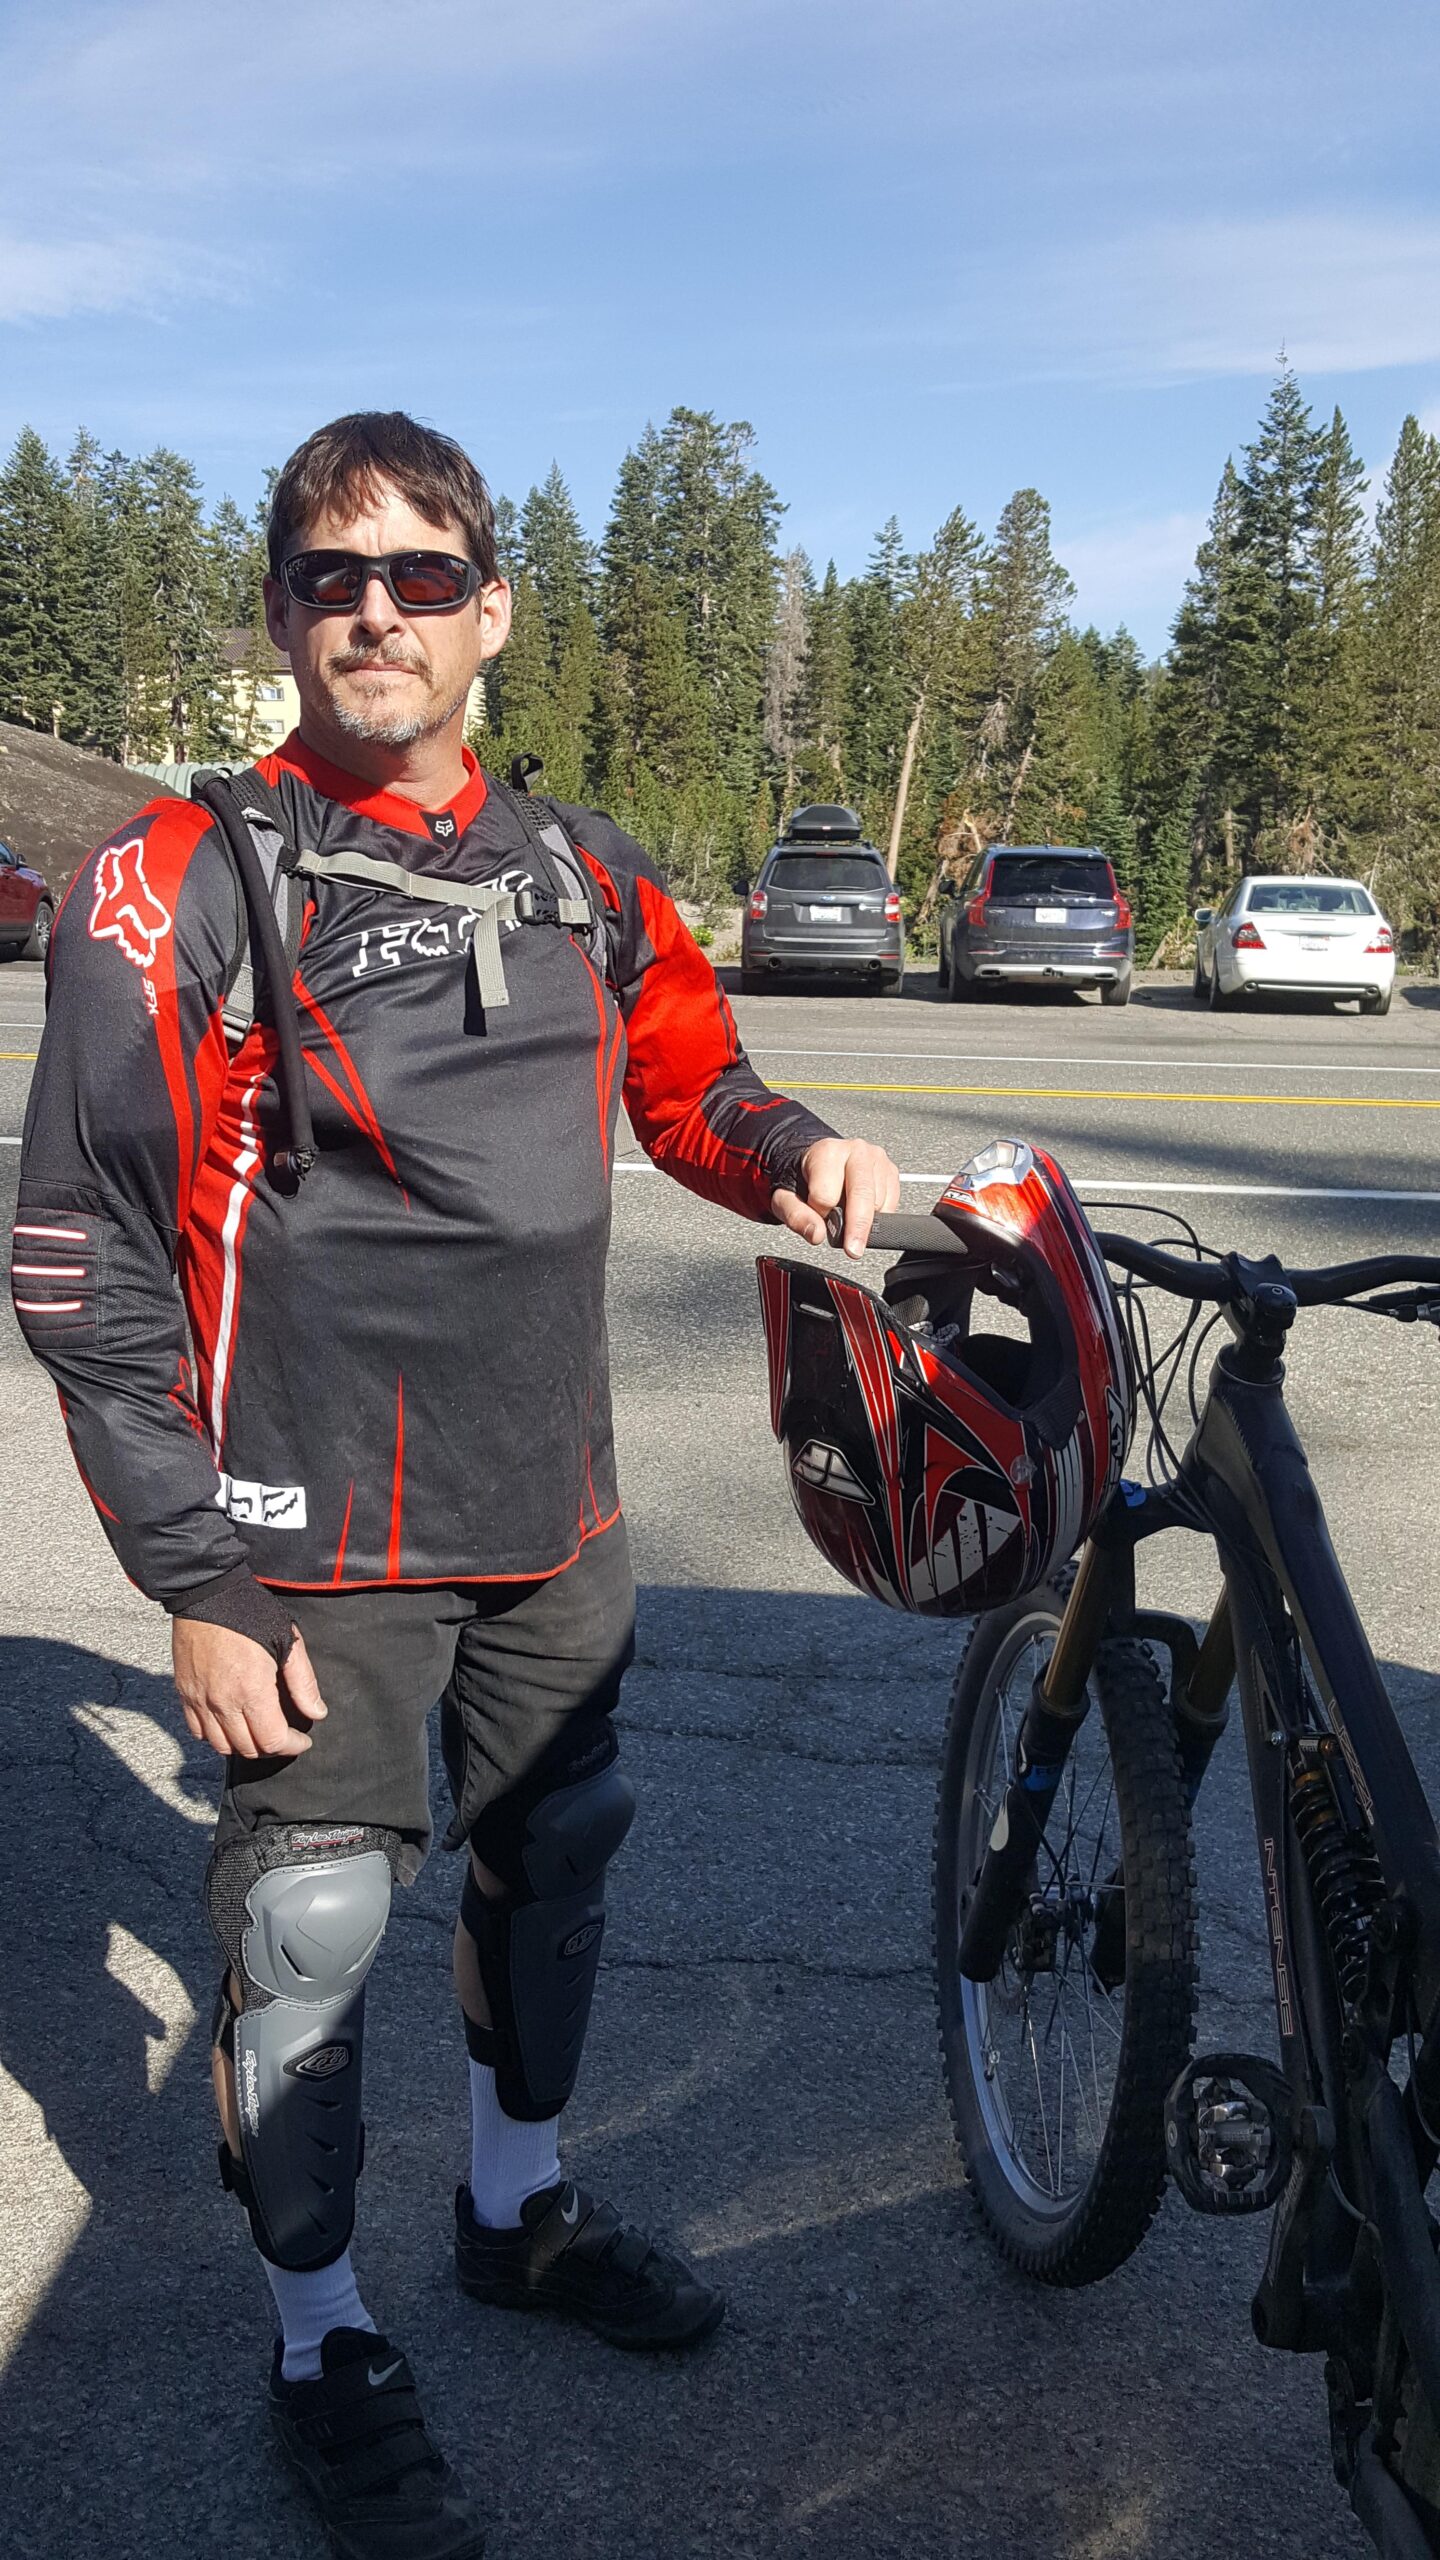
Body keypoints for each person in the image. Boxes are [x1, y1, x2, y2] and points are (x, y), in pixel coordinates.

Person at [12, 411, 901, 2560]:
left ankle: (517, 2211)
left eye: (424, 573)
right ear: (280, 611)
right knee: (311, 1927)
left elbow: (693, 1079)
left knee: (558, 1860)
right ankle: (321, 2330)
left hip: (560, 1515)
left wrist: (799, 1156)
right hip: (310, 1543)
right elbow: (80, 1253)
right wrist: (193, 1574)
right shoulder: (179, 879)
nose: (377, 610)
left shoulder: (583, 867)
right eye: (334, 575)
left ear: (491, 609)